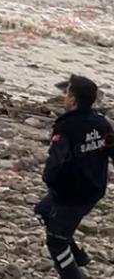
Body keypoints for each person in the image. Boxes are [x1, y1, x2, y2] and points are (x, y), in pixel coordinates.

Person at [35, 75, 114, 279]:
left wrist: (50, 179)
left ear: (73, 100)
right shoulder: (103, 124)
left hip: (72, 194)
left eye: (67, 93)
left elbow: (56, 160)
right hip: (94, 188)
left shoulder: (67, 127)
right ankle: (77, 256)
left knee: (56, 242)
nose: (64, 97)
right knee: (43, 210)